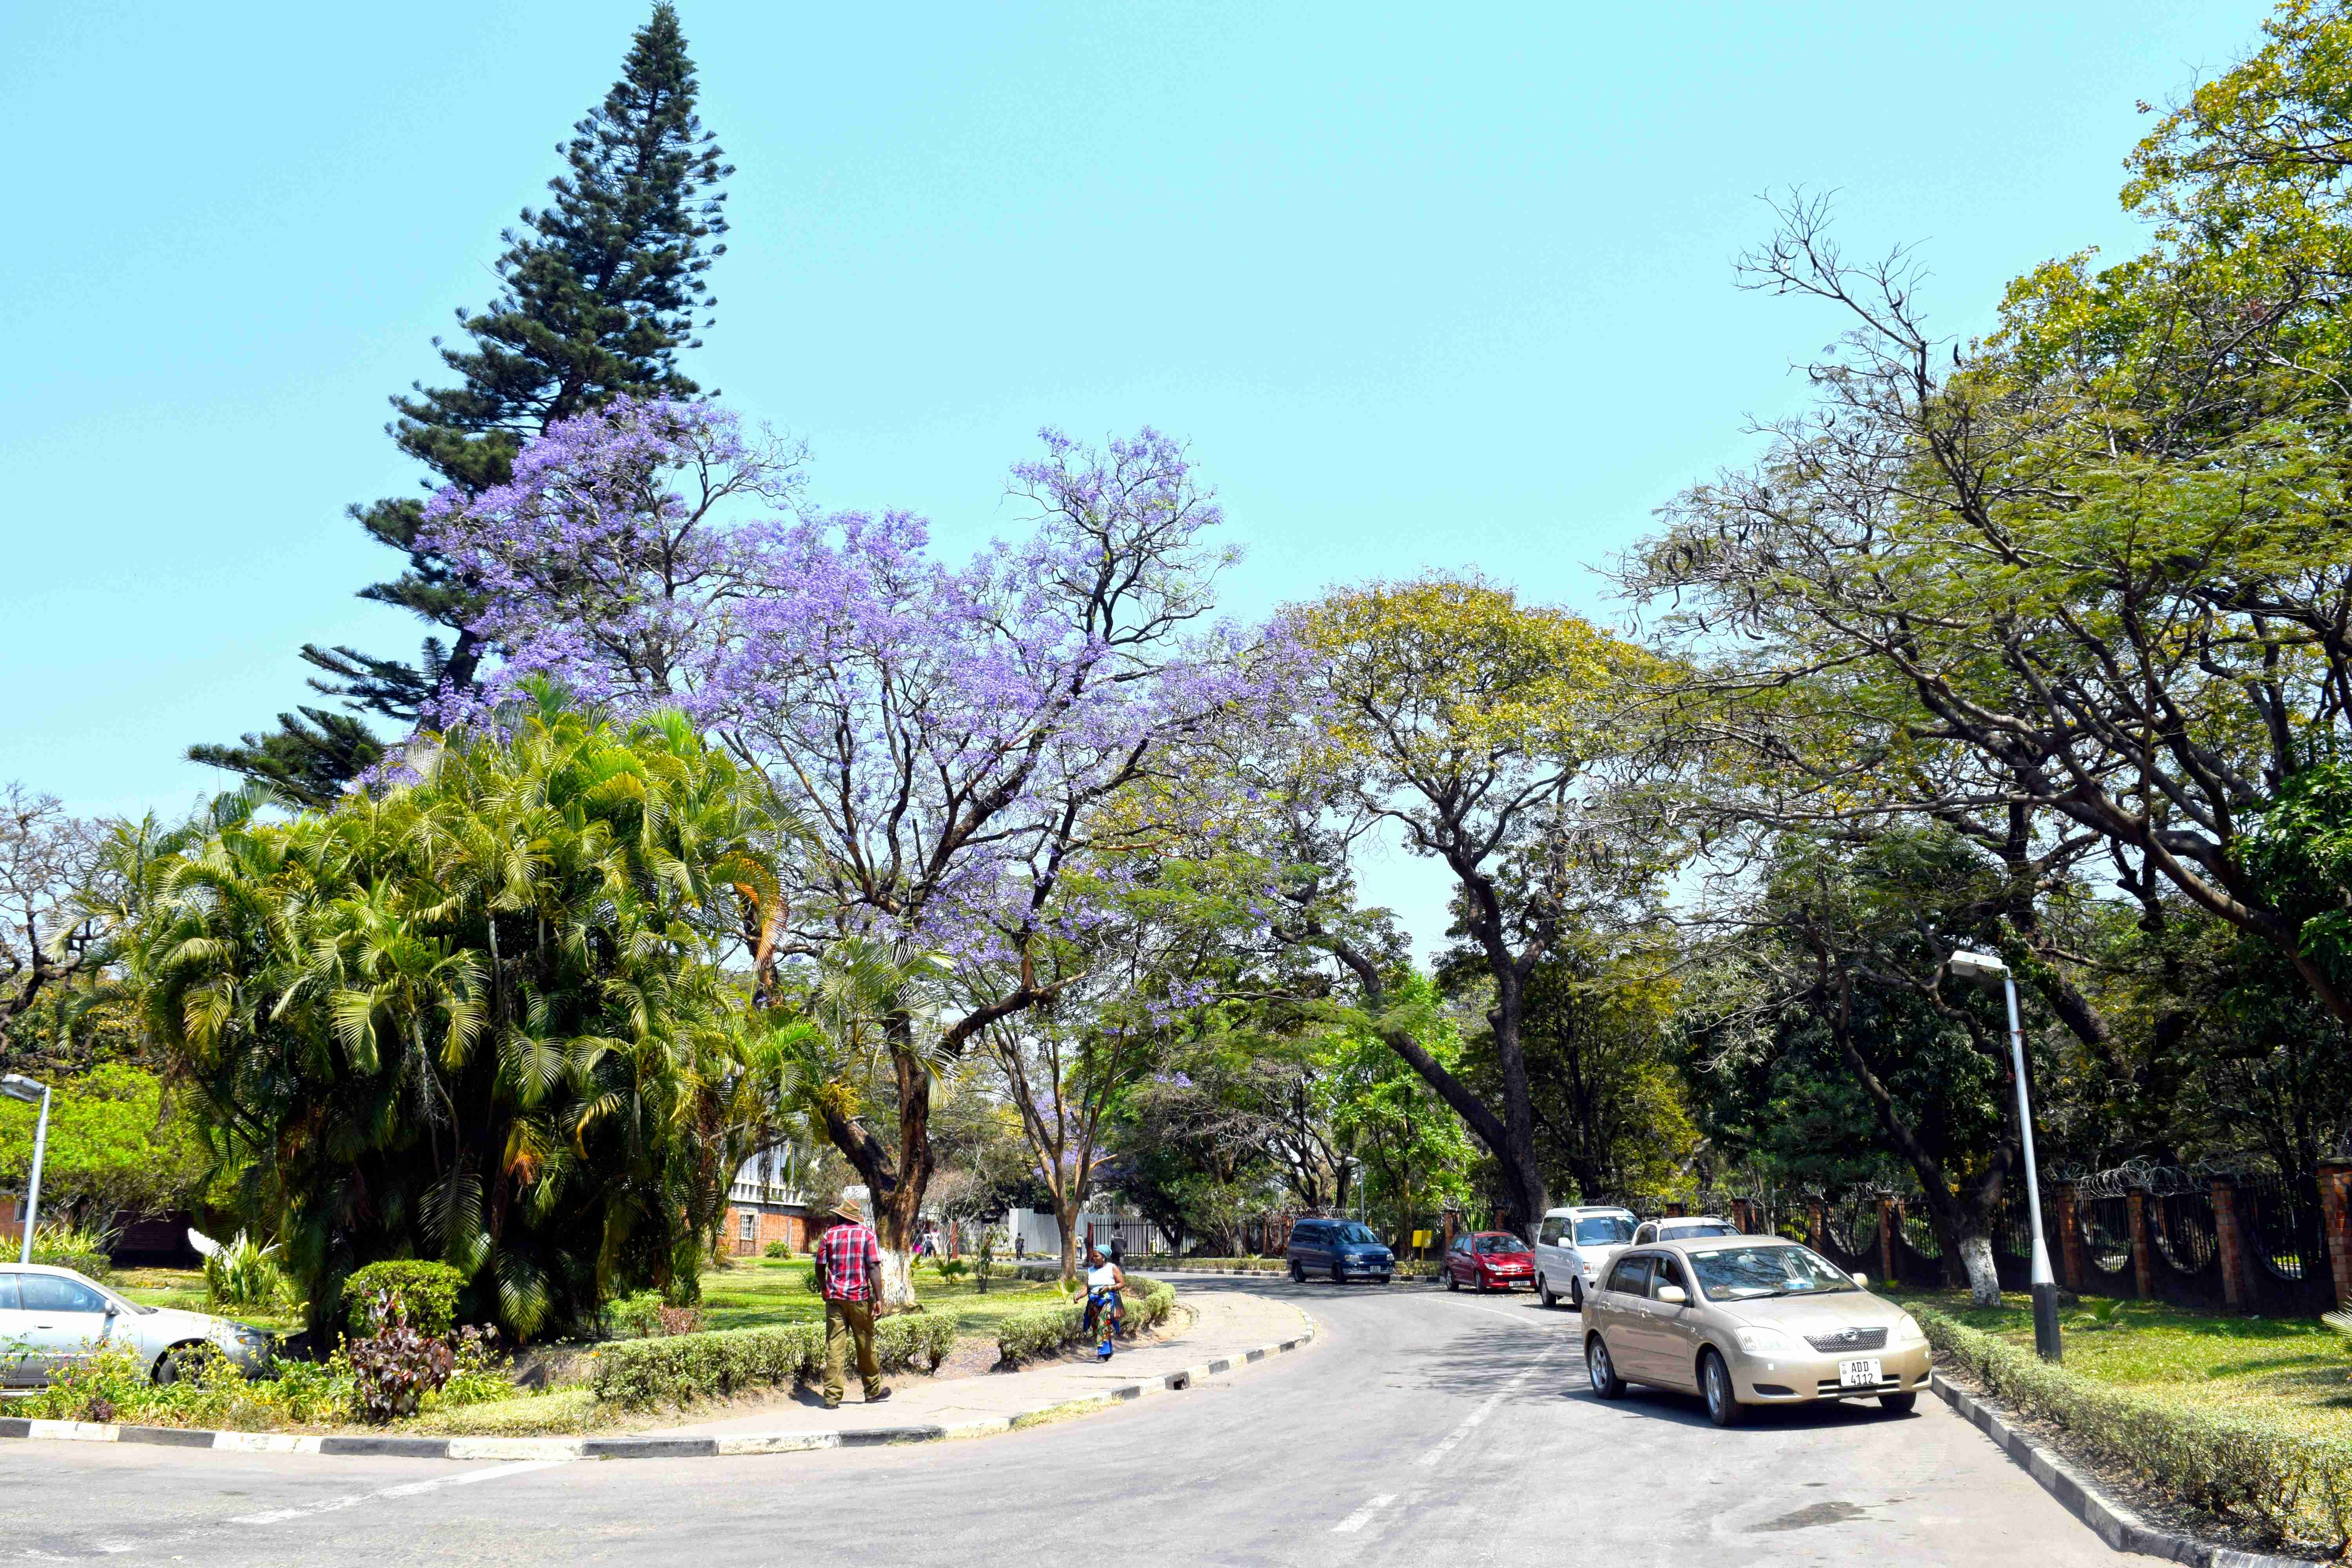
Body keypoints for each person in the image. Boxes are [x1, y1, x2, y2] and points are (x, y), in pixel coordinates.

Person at [814, 1198, 890, 1410]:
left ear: (840, 1216)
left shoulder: (829, 1235)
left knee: (835, 1347)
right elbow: (874, 1267)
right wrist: (879, 1299)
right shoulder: (867, 1235)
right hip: (860, 1299)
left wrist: (824, 1286)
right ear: (855, 1219)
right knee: (865, 1345)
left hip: (835, 1299)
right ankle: (873, 1391)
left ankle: (831, 1398)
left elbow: (820, 1266)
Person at [1082, 1242, 1126, 1359]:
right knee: (1096, 1328)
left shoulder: (1112, 1268)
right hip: (1093, 1303)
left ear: (1104, 1257)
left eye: (1097, 1256)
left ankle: (1102, 1354)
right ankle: (1109, 1350)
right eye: (1094, 1256)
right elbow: (1087, 1287)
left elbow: (1122, 1284)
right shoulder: (1090, 1270)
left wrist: (1109, 1288)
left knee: (1103, 1325)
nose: (1094, 1258)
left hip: (1107, 1302)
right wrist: (1078, 1296)